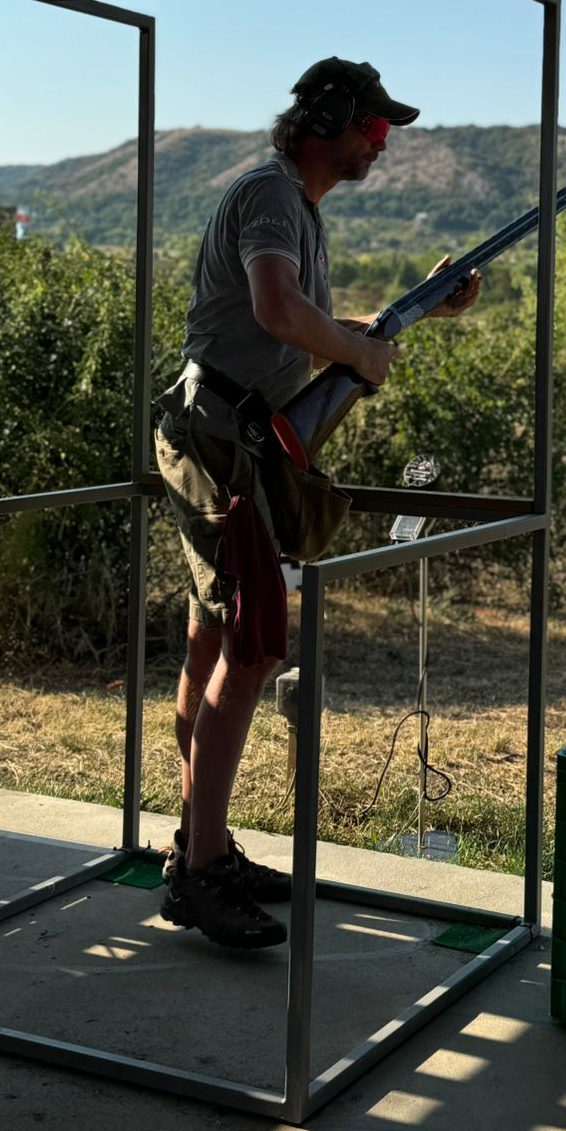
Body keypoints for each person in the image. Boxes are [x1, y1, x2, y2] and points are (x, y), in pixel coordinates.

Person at [153, 56, 480, 950]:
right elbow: (277, 310)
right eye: (372, 128)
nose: (380, 145)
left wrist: (412, 315)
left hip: (230, 439)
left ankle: (199, 845)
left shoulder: (293, 206)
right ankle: (201, 870)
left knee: (215, 643)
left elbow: (302, 322)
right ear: (330, 121)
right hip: (221, 443)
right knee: (253, 645)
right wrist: (359, 354)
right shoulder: (271, 195)